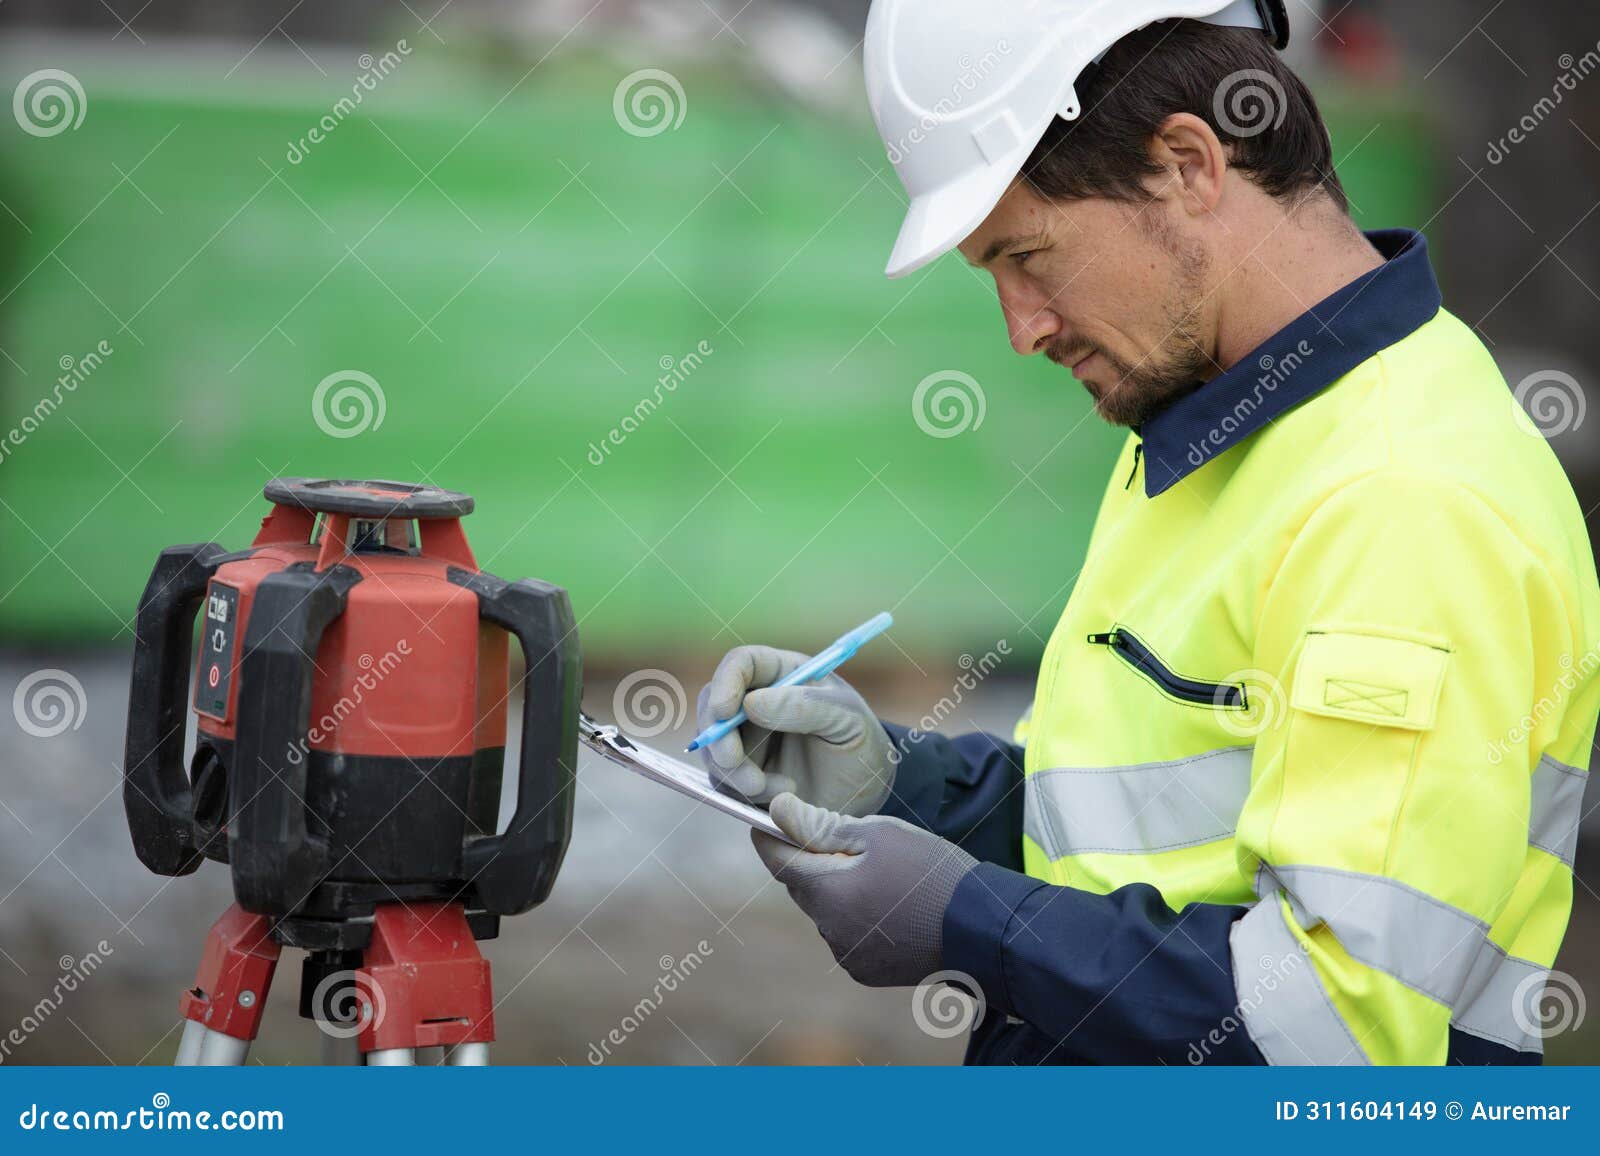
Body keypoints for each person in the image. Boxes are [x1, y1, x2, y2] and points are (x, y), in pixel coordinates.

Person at [696, 0, 1600, 1065]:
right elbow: (1141, 841)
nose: (1022, 327)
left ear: (1186, 164)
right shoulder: (1216, 424)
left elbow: (1338, 1023)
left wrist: (968, 921)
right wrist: (907, 789)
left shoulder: (1401, 498)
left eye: (1028, 256)